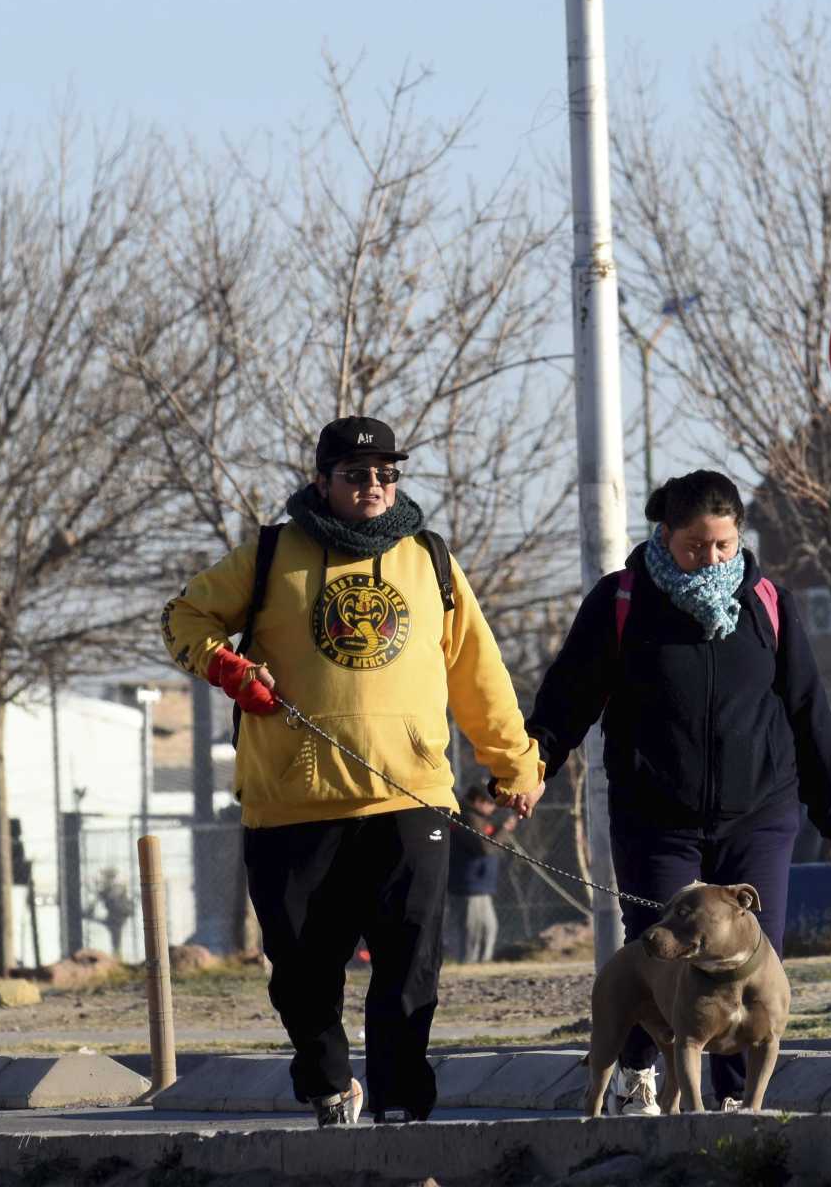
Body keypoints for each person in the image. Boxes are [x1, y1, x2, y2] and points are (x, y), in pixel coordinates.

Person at [160, 415, 544, 1127]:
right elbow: (185, 617)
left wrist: (513, 763)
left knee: (408, 968)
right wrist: (228, 667)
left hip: (409, 798)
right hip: (291, 804)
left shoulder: (430, 558)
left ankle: (401, 1104)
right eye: (357, 474)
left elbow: (477, 671)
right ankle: (331, 1086)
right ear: (321, 481)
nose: (374, 486)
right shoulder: (273, 554)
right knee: (302, 978)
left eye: (387, 474)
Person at [524, 469, 831, 1115]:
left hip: (759, 811)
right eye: (695, 547)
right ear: (666, 535)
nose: (710, 559)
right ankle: (638, 1073)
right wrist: (530, 766)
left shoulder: (768, 604)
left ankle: (735, 1103)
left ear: (739, 539)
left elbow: (808, 709)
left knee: (749, 953)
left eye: (723, 546)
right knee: (660, 947)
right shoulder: (621, 602)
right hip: (656, 816)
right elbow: (567, 699)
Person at [447, 783, 516, 964]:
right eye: (490, 803)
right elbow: (484, 847)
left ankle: (482, 963)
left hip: (479, 884)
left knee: (488, 928)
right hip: (468, 885)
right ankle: (469, 964)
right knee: (472, 931)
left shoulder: (478, 819)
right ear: (478, 801)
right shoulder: (468, 818)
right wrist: (504, 830)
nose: (493, 808)